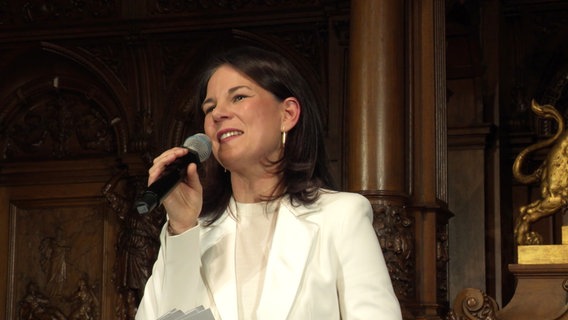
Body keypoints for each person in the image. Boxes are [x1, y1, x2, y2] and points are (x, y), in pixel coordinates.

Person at [135, 45, 402, 320]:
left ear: (287, 114)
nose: (218, 114)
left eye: (238, 97)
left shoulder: (340, 216)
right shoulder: (190, 232)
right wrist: (182, 230)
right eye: (209, 107)